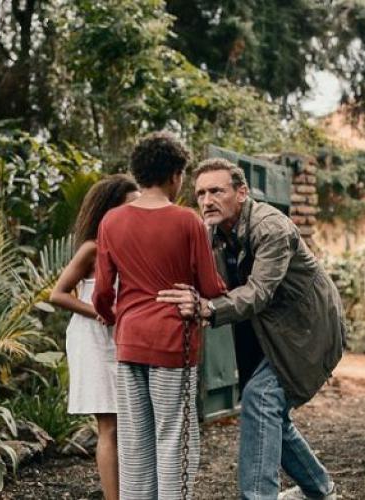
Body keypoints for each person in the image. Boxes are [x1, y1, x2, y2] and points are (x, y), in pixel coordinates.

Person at [157, 158, 345, 500]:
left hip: (307, 330)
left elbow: (259, 291)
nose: (207, 201)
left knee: (261, 398)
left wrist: (209, 308)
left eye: (217, 191)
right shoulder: (213, 232)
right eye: (201, 193)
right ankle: (321, 490)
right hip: (268, 332)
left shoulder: (271, 227)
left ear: (242, 192)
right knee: (269, 411)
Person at [92, 132, 227, 499]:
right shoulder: (187, 221)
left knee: (135, 440)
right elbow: (211, 287)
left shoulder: (111, 221)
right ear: (175, 175)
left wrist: (111, 316)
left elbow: (102, 292)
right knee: (174, 437)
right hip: (173, 343)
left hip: (129, 342)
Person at [49, 174, 140, 500]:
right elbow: (58, 294)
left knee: (132, 423)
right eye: (129, 206)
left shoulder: (135, 246)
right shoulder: (92, 248)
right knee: (109, 426)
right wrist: (99, 312)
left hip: (126, 339)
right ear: (108, 209)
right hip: (93, 340)